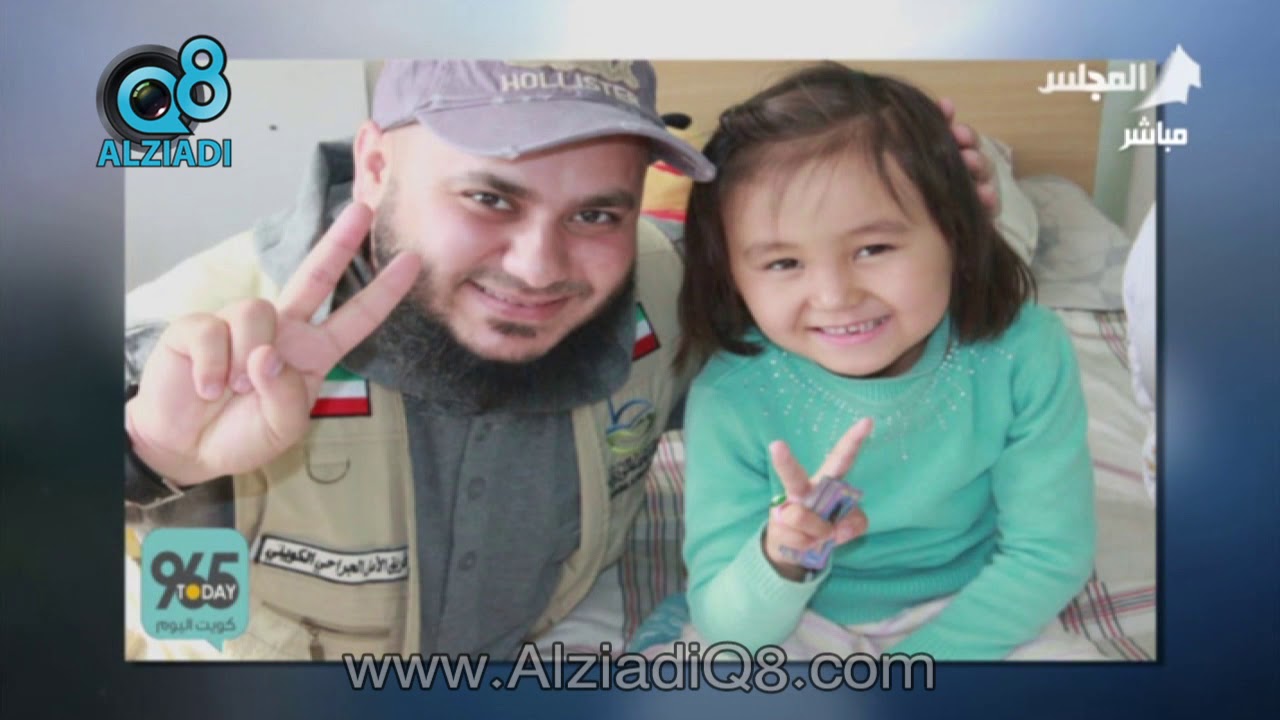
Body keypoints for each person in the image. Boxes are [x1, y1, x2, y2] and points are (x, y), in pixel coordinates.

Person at [123, 60, 1006, 660]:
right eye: (488, 197)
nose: (540, 268)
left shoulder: (659, 288)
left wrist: (936, 225)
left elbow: (839, 312)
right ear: (377, 165)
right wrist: (149, 457)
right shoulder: (198, 329)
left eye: (595, 214)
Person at [671, 62, 1098, 660]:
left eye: (873, 248)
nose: (835, 297)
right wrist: (785, 557)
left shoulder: (1022, 352)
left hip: (977, 606)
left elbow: (1048, 554)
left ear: (956, 233)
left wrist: (917, 670)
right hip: (795, 614)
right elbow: (728, 627)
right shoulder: (732, 394)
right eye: (784, 263)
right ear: (730, 275)